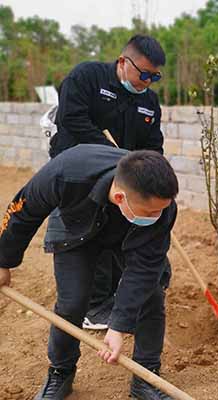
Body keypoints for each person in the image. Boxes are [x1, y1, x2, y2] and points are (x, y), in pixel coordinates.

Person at [0, 145, 179, 400]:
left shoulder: (161, 211)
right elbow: (23, 211)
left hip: (129, 234)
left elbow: (144, 269)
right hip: (75, 227)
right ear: (120, 197)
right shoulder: (66, 173)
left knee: (151, 296)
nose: (159, 215)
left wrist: (117, 327)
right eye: (151, 212)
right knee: (72, 303)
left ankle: (146, 376)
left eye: (162, 209)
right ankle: (60, 372)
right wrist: (3, 261)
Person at [50, 34, 167, 330]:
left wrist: (148, 171)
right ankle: (93, 306)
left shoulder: (149, 102)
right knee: (92, 234)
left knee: (121, 231)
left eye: (154, 76)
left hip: (123, 177)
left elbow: (153, 144)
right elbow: (72, 119)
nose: (147, 82)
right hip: (79, 175)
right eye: (143, 74)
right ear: (122, 62)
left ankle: (118, 296)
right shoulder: (87, 76)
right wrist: (113, 156)